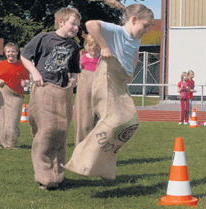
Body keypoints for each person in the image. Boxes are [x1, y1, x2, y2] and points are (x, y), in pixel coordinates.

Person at [64, 4, 154, 180]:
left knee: (130, 122)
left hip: (120, 78)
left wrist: (131, 72)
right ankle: (81, 157)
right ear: (133, 20)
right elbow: (91, 24)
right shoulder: (117, 31)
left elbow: (134, 54)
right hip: (107, 76)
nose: (146, 30)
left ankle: (102, 163)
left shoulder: (136, 38)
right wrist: (104, 46)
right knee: (114, 120)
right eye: (145, 26)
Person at [21, 7, 81, 190]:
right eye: (73, 23)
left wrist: (73, 80)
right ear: (62, 22)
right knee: (46, 132)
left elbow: (74, 70)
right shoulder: (44, 38)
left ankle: (58, 175)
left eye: (78, 24)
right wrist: (35, 73)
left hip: (62, 91)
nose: (76, 28)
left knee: (60, 133)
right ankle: (44, 177)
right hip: (43, 88)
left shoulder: (73, 46)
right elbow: (24, 56)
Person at [0, 42, 29, 149]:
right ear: (5, 53)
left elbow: (27, 79)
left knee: (12, 120)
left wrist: (25, 82)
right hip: (2, 94)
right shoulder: (1, 65)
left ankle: (11, 143)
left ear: (17, 52)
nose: (11, 54)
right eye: (8, 51)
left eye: (13, 51)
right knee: (0, 119)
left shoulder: (22, 65)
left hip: (16, 95)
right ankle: (0, 142)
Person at [73, 34, 100, 145]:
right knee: (84, 123)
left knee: (99, 124)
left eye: (96, 46)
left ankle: (96, 152)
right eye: (90, 45)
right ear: (85, 46)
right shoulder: (81, 59)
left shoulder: (103, 60)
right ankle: (81, 148)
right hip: (84, 96)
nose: (93, 48)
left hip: (99, 96)